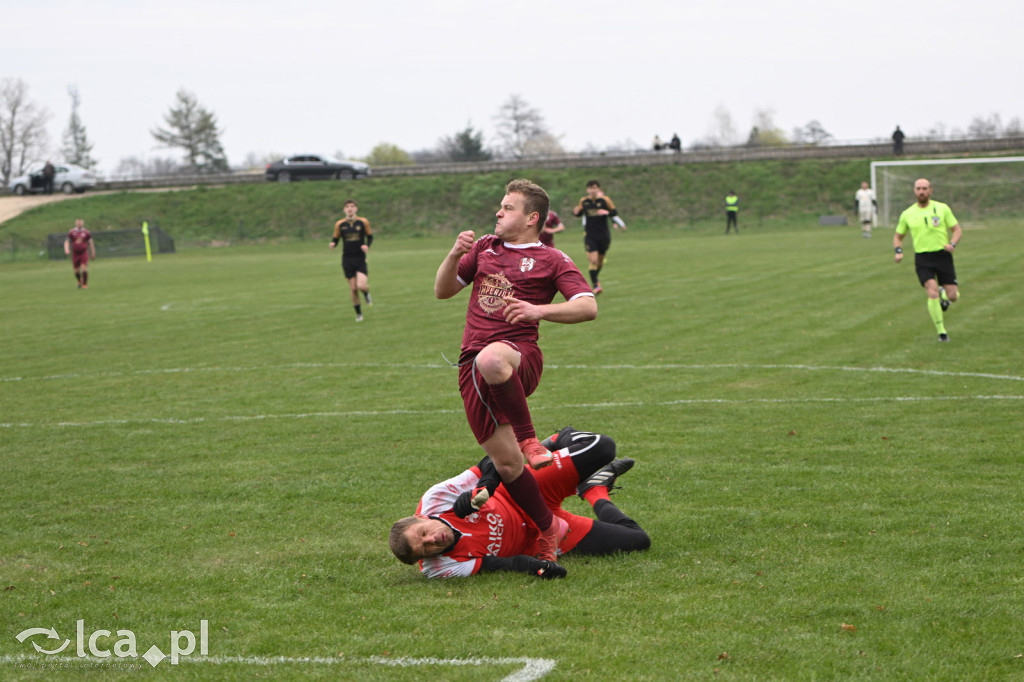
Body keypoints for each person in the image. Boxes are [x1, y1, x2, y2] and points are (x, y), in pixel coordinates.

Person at [434, 178, 598, 563]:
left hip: (517, 357)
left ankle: (530, 438)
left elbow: (587, 306)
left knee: (491, 359)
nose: (498, 212)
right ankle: (548, 530)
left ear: (531, 218)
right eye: (500, 206)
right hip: (471, 372)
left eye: (507, 208)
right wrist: (453, 255)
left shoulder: (552, 259)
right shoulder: (484, 249)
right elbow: (443, 291)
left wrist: (538, 310)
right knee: (508, 465)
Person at [389, 426, 650, 579]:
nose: (432, 541)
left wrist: (482, 489)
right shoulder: (439, 567)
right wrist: (537, 566)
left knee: (602, 446)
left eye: (424, 533)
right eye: (425, 549)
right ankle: (595, 489)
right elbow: (500, 564)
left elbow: (491, 461)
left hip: (526, 491)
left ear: (422, 518)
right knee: (638, 541)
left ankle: (551, 443)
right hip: (544, 534)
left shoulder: (436, 499)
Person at [893, 178, 962, 342]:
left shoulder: (942, 208)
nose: (921, 191)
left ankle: (944, 296)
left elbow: (957, 229)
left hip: (942, 256)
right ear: (914, 191)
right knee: (931, 292)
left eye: (924, 188)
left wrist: (952, 243)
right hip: (923, 258)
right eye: (918, 188)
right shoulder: (907, 214)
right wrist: (898, 251)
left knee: (953, 296)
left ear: (930, 190)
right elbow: (898, 236)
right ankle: (942, 332)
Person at [572, 180, 626, 294]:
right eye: (590, 188)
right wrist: (575, 212)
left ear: (598, 189)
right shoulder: (584, 201)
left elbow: (614, 212)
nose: (592, 190)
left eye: (595, 187)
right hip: (590, 235)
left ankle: (595, 280)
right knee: (593, 260)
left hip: (603, 235)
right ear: (587, 190)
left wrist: (605, 212)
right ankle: (596, 285)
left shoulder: (605, 200)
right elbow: (579, 213)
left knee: (600, 262)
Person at [330, 199, 373, 322]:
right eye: (347, 207)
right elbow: (336, 238)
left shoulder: (363, 222)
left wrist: (367, 246)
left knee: (362, 286)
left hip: (360, 258)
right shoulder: (340, 224)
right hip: (347, 259)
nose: (350, 209)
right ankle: (359, 314)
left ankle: (366, 294)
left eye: (352, 206)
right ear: (344, 210)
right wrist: (333, 244)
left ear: (356, 209)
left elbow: (370, 237)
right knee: (353, 289)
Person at [64, 218, 95, 289]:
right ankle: (79, 281)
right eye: (78, 222)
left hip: (84, 253)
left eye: (80, 222)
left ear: (83, 223)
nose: (79, 223)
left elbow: (91, 243)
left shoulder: (86, 232)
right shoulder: (71, 232)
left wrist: (93, 253)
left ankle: (85, 284)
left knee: (84, 268)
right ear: (75, 223)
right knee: (76, 271)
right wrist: (66, 249)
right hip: (75, 254)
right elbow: (66, 242)